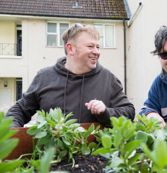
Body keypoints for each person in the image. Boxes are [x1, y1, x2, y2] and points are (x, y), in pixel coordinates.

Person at [6, 23, 135, 127]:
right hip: (52, 157)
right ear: (70, 49)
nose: (97, 52)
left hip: (96, 157)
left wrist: (105, 112)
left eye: (98, 46)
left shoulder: (108, 79)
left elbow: (129, 112)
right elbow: (20, 110)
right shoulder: (44, 77)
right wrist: (12, 133)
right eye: (90, 46)